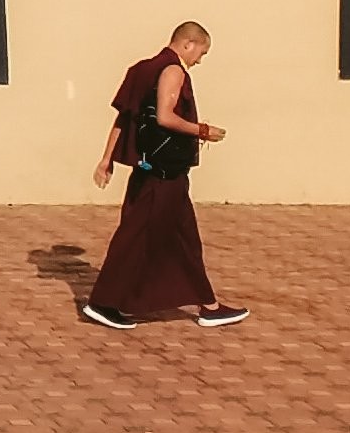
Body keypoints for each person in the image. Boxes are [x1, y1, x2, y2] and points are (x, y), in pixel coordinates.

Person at [80, 20, 248, 329]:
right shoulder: (172, 71)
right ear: (188, 44)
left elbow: (124, 118)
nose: (200, 60)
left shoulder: (142, 69)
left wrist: (107, 159)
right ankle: (103, 304)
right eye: (202, 52)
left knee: (183, 239)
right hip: (161, 176)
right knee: (134, 238)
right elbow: (165, 116)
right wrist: (203, 130)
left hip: (156, 173)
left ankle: (208, 305)